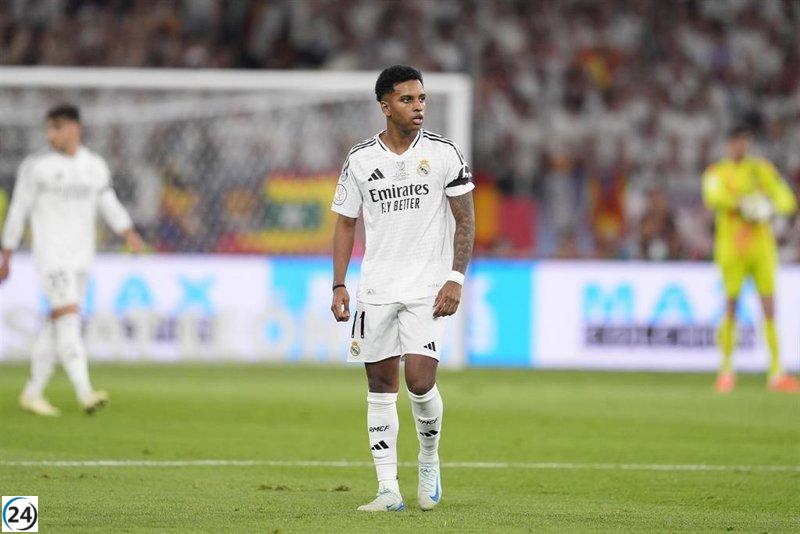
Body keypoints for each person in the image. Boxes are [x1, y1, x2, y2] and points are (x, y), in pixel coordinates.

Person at [329, 66, 475, 512]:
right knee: (379, 385)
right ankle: (387, 489)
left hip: (427, 289)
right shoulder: (359, 159)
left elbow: (466, 220)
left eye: (422, 99)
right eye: (408, 99)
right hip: (376, 289)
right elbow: (345, 223)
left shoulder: (445, 153)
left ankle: (429, 459)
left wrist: (455, 278)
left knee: (419, 379)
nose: (418, 107)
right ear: (385, 105)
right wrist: (338, 283)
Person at [0, 104, 145, 416]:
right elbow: (18, 210)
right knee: (68, 318)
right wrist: (7, 252)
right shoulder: (35, 166)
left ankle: (32, 392)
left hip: (82, 256)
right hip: (51, 255)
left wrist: (129, 232)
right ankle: (85, 392)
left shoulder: (94, 166)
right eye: (48, 129)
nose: (50, 135)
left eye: (57, 128)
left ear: (74, 128)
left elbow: (108, 202)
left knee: (58, 322)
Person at [702, 125, 798, 393]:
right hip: (732, 249)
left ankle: (777, 373)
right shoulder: (717, 173)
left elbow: (786, 199)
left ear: (748, 143)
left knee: (769, 308)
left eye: (743, 141)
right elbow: (712, 196)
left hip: (761, 248)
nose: (738, 146)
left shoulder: (761, 170)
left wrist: (769, 205)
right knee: (730, 306)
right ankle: (726, 370)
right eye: (734, 141)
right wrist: (746, 204)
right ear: (727, 145)